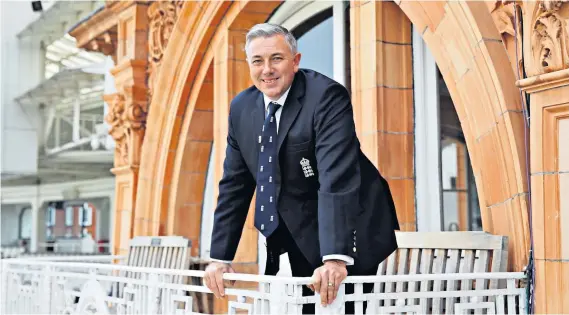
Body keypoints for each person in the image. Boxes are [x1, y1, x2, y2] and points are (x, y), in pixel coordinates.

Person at [204, 23, 400, 313]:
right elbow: (234, 184)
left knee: (345, 307)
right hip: (295, 226)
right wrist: (220, 257)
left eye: (276, 58)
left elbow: (336, 178)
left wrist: (335, 258)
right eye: (257, 61)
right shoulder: (241, 108)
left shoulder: (326, 97)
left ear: (295, 61)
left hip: (353, 224)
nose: (267, 69)